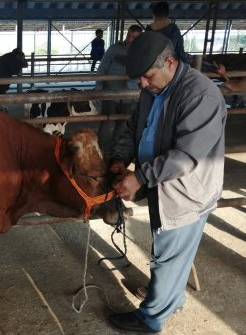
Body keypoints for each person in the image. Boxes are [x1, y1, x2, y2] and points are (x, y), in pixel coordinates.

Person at [107, 31, 227, 334]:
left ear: (171, 62)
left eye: (147, 77)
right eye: (140, 80)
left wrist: (140, 176)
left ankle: (151, 320)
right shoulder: (153, 88)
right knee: (170, 251)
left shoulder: (200, 95)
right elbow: (135, 126)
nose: (143, 85)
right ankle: (170, 299)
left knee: (168, 254)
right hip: (162, 185)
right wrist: (121, 157)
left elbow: (186, 156)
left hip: (186, 192)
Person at [95, 24, 143, 155]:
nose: (130, 39)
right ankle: (101, 152)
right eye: (129, 36)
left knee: (122, 125)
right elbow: (102, 69)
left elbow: (143, 74)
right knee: (107, 124)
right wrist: (98, 90)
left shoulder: (142, 53)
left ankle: (116, 154)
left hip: (128, 97)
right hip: (110, 94)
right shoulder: (114, 49)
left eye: (134, 37)